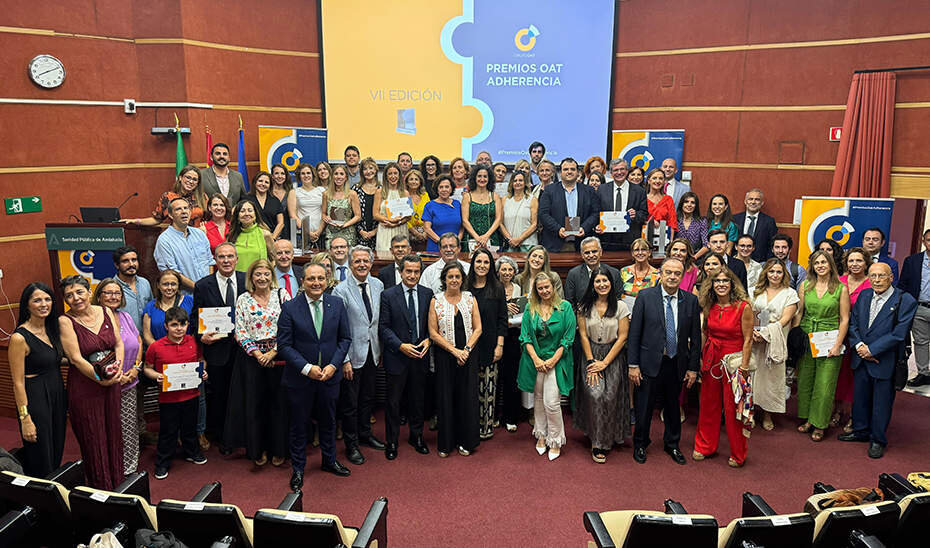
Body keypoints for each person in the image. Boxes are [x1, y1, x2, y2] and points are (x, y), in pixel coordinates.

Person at [278, 263, 353, 491]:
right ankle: (298, 468)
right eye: (311, 279)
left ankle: (329, 461)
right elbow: (284, 345)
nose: (316, 283)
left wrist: (333, 365)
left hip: (330, 376)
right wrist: (306, 367)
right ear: (303, 281)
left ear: (327, 280)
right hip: (301, 379)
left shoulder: (337, 304)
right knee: (299, 425)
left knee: (329, 421)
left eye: (321, 278)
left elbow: (344, 339)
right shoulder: (290, 307)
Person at [839, 262, 916, 458]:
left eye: (881, 276)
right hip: (861, 356)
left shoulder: (905, 301)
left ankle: (877, 439)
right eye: (873, 276)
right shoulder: (865, 295)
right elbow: (853, 322)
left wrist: (872, 350)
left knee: (881, 403)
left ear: (891, 278)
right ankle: (861, 431)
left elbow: (899, 334)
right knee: (861, 398)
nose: (877, 280)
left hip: (885, 360)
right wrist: (859, 347)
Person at [628, 259, 701, 465]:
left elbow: (696, 338)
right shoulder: (645, 297)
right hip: (649, 362)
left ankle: (672, 444)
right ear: (660, 274)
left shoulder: (690, 301)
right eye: (668, 272)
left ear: (682, 276)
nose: (672, 277)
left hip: (676, 362)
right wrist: (633, 365)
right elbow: (634, 334)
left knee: (672, 406)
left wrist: (693, 368)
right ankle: (640, 443)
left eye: (677, 274)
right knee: (644, 407)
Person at [58, 275, 125, 489]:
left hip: (111, 383)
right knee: (93, 438)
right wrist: (99, 379)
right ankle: (101, 490)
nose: (75, 298)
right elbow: (75, 358)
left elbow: (118, 343)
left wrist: (117, 371)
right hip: (85, 387)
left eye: (79, 292)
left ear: (89, 292)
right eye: (69, 295)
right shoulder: (65, 321)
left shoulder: (105, 311)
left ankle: (118, 485)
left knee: (113, 432)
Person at [227, 259, 289, 467]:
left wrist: (273, 352)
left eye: (266, 274)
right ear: (251, 278)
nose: (262, 278)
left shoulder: (283, 295)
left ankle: (279, 449)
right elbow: (240, 330)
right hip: (251, 360)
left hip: (279, 358)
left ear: (272, 276)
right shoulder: (243, 299)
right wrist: (257, 353)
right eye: (257, 274)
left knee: (279, 406)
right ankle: (257, 450)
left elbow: (290, 327)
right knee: (254, 406)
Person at [693, 267, 754, 467]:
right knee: (708, 404)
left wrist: (744, 367)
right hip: (712, 357)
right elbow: (704, 333)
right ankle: (704, 446)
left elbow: (748, 340)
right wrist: (700, 358)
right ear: (711, 285)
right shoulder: (708, 305)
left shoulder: (743, 307)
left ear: (732, 284)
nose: (721, 284)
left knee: (732, 408)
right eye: (717, 281)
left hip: (734, 361)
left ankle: (738, 453)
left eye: (725, 281)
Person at [333, 245, 386, 464]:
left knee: (367, 399)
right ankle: (351, 444)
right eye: (357, 261)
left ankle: (365, 435)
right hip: (351, 357)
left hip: (373, 353)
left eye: (365, 261)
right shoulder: (341, 290)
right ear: (350, 264)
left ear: (371, 263)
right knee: (350, 404)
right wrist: (344, 360)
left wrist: (380, 349)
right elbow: (338, 328)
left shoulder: (378, 285)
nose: (362, 265)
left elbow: (377, 321)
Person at [191, 243, 247, 452]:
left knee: (242, 392)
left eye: (230, 256)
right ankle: (223, 436)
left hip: (244, 349)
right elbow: (194, 318)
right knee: (221, 394)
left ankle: (242, 432)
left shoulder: (246, 280)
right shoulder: (203, 285)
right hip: (217, 350)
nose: (226, 261)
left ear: (236, 259)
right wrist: (200, 335)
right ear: (215, 259)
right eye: (221, 257)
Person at [8, 283, 67, 478]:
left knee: (57, 447)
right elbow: (17, 382)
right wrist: (25, 419)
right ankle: (40, 499)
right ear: (27, 305)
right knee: (41, 454)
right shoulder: (19, 338)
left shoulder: (52, 329)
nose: (44, 304)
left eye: (47, 299)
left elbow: (54, 358)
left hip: (57, 391)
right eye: (37, 300)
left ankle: (52, 489)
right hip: (36, 397)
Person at [143, 307, 208, 480]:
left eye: (182, 324)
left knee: (190, 428)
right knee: (168, 431)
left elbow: (201, 361)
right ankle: (163, 462)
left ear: (187, 325)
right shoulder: (156, 347)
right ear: (166, 326)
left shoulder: (194, 342)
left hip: (192, 395)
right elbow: (147, 369)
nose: (179, 329)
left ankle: (192, 452)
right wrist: (158, 376)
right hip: (168, 398)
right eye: (174, 325)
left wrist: (203, 371)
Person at [574, 266, 632, 463]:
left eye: (605, 281)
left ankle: (609, 436)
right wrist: (592, 361)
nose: (602, 284)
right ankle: (598, 442)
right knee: (596, 394)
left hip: (613, 355)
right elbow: (582, 334)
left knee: (610, 396)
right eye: (597, 281)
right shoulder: (583, 306)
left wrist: (605, 363)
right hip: (591, 353)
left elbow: (623, 337)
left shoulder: (621, 307)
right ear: (593, 284)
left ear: (611, 283)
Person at [379, 254, 433, 459]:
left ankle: (417, 436)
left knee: (418, 400)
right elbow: (383, 328)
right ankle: (391, 441)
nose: (412, 275)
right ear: (401, 272)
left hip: (420, 356)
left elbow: (432, 325)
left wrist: (429, 339)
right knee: (393, 402)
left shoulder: (428, 294)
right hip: (397, 356)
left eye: (416, 271)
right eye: (408, 271)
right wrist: (401, 346)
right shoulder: (388, 295)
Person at [795, 250, 851, 442]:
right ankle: (809, 419)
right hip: (807, 337)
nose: (820, 266)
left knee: (825, 384)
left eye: (823, 262)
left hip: (830, 338)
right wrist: (793, 339)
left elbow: (844, 319)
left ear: (830, 265)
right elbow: (799, 313)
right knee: (805, 381)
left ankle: (820, 423)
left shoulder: (841, 288)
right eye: (816, 263)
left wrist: (838, 345)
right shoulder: (805, 286)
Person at [518, 272, 575, 461]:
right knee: (539, 399)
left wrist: (552, 361)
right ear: (535, 290)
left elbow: (568, 339)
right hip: (535, 361)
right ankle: (541, 435)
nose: (544, 291)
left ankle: (556, 439)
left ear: (554, 287)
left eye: (547, 287)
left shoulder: (565, 308)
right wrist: (536, 359)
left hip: (557, 361)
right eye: (540, 288)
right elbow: (525, 336)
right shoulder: (530, 308)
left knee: (552, 402)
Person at [429, 262, 483, 457]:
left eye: (457, 277)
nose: (454, 280)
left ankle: (466, 441)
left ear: (462, 279)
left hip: (468, 355)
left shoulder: (470, 298)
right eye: (450, 276)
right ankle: (446, 443)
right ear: (444, 279)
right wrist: (454, 351)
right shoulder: (436, 300)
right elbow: (433, 333)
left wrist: (466, 350)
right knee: (446, 398)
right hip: (446, 356)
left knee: (466, 398)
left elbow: (478, 328)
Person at [93, 279, 144, 475]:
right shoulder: (94, 321)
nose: (113, 297)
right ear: (99, 296)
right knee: (108, 428)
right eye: (108, 293)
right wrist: (116, 376)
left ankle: (129, 468)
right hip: (105, 385)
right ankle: (110, 467)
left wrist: (136, 369)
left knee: (129, 428)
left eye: (117, 293)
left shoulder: (125, 317)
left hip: (129, 383)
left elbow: (138, 342)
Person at [750, 259, 800, 431]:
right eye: (771, 271)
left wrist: (766, 334)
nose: (775, 275)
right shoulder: (755, 291)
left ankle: (767, 414)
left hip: (775, 341)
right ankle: (750, 413)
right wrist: (754, 333)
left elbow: (785, 320)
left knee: (771, 379)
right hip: (754, 340)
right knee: (752, 377)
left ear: (784, 274)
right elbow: (749, 315)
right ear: (766, 273)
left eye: (779, 272)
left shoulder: (790, 293)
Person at [466, 249, 508, 439]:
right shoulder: (464, 287)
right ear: (473, 264)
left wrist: (499, 345)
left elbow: (502, 319)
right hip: (468, 345)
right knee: (470, 388)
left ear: (491, 266)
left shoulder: (497, 288)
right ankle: (470, 425)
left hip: (490, 345)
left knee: (488, 388)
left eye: (486, 262)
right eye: (478, 262)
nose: (482, 266)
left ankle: (486, 427)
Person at [835, 248, 872, 431]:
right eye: (851, 261)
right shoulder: (839, 281)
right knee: (838, 374)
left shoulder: (872, 283)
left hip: (860, 337)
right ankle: (836, 410)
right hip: (837, 335)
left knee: (855, 377)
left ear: (866, 263)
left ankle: (852, 415)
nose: (855, 264)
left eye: (859, 260)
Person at [153, 197, 214, 293]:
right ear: (171, 215)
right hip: (186, 298)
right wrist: (199, 289)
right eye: (178, 209)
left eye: (186, 208)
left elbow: (210, 262)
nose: (184, 212)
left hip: (208, 292)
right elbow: (173, 273)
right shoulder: (164, 241)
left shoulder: (200, 234)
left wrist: (209, 285)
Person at [538, 158, 599, 252]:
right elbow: (543, 214)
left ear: (578, 172)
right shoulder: (549, 190)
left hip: (583, 244)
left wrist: (584, 228)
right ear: (560, 172)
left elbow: (595, 213)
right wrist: (558, 229)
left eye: (572, 169)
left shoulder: (589, 190)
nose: (569, 172)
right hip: (555, 243)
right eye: (566, 169)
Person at [122, 165, 208, 228]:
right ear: (180, 178)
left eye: (194, 179)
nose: (191, 181)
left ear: (197, 183)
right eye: (188, 177)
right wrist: (136, 221)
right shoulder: (168, 197)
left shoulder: (202, 197)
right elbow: (157, 219)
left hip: (199, 237)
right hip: (177, 238)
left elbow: (211, 219)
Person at [899, 229, 930, 387]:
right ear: (924, 242)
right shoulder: (912, 261)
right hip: (920, 307)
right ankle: (924, 373)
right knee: (921, 342)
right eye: (929, 240)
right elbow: (902, 285)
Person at [496, 256, 524, 432]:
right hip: (497, 336)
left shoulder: (518, 288)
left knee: (512, 377)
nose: (507, 272)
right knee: (496, 377)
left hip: (514, 335)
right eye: (503, 269)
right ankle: (494, 416)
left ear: (514, 272)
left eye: (510, 269)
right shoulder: (493, 288)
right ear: (498, 271)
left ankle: (510, 416)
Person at [596, 159, 649, 251]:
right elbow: (596, 212)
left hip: (630, 241)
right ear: (611, 173)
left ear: (627, 171)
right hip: (607, 240)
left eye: (622, 169)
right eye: (616, 170)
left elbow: (644, 214)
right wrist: (596, 226)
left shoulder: (639, 191)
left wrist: (636, 215)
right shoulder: (601, 189)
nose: (619, 172)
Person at [565, 236, 622, 306]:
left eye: (594, 251)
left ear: (600, 252)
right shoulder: (574, 274)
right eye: (587, 253)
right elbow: (570, 302)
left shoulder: (614, 273)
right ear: (582, 255)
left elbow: (618, 299)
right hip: (582, 315)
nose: (591, 255)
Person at [143, 269, 193, 347]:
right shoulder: (150, 306)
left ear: (178, 285)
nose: (169, 288)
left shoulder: (190, 302)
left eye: (173, 284)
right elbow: (147, 336)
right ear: (158, 285)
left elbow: (196, 330)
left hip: (186, 352)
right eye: (165, 284)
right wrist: (162, 351)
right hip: (160, 353)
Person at [461, 165, 503, 250]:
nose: (482, 179)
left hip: (491, 238)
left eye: (485, 176)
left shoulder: (495, 196)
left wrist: (486, 236)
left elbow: (498, 219)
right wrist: (477, 237)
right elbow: (465, 220)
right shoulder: (467, 197)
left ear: (489, 179)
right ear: (474, 178)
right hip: (471, 239)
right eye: (479, 176)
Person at [112, 245, 153, 332]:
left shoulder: (145, 283)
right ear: (116, 265)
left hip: (147, 338)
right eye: (125, 261)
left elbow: (151, 310)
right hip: (125, 342)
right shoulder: (111, 287)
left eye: (134, 260)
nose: (131, 264)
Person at [228, 200, 274, 273]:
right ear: (237, 216)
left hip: (259, 280)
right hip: (238, 280)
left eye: (250, 210)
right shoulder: (231, 236)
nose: (246, 214)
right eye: (242, 211)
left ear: (255, 215)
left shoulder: (265, 234)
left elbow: (274, 259)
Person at [374, 162, 411, 251]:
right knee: (384, 256)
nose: (393, 176)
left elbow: (409, 216)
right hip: (385, 228)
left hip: (400, 229)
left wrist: (396, 223)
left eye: (395, 173)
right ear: (386, 176)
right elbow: (375, 214)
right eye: (390, 174)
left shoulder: (405, 193)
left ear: (399, 175)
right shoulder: (380, 192)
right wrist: (390, 221)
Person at [322, 164, 362, 248]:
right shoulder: (326, 194)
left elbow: (358, 216)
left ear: (346, 177)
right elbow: (323, 213)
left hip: (348, 233)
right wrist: (326, 218)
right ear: (332, 177)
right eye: (336, 174)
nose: (338, 177)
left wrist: (345, 224)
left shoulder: (352, 194)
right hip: (331, 234)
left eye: (341, 174)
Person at [733, 189, 776, 262]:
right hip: (737, 261)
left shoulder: (769, 221)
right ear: (745, 201)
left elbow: (771, 245)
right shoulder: (735, 219)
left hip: (760, 263)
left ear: (762, 203)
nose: (753, 202)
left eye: (757, 199)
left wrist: (767, 264)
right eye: (750, 199)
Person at [422, 176, 463, 253]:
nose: (444, 189)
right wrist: (442, 243)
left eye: (447, 187)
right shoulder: (430, 205)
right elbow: (427, 228)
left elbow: (462, 227)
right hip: (436, 247)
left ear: (451, 189)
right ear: (437, 189)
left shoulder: (457, 204)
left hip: (455, 248)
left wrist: (457, 242)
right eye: (441, 187)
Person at [500, 170, 538, 251]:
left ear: (525, 183)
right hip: (509, 244)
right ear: (511, 183)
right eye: (515, 180)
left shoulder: (532, 199)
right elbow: (500, 223)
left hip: (528, 244)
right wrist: (510, 239)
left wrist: (520, 239)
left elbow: (534, 224)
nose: (518, 183)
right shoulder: (505, 199)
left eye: (520, 180)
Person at [292, 163, 326, 250]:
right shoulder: (294, 192)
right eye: (303, 173)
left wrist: (319, 231)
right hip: (302, 235)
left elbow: (324, 213)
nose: (306, 175)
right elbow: (293, 215)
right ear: (299, 176)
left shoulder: (322, 191)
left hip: (321, 234)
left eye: (308, 173)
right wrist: (307, 232)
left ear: (313, 175)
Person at [620, 238, 660, 310]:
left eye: (644, 250)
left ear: (649, 252)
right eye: (636, 250)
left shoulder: (657, 275)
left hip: (648, 312)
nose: (640, 253)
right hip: (627, 312)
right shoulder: (624, 271)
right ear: (632, 253)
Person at [245, 171, 285, 240]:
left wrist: (272, 239)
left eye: (266, 182)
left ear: (270, 185)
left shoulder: (275, 201)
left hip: (272, 237)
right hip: (251, 238)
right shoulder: (246, 199)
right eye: (260, 181)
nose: (263, 184)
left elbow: (281, 223)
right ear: (255, 182)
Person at [353, 157, 381, 249]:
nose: (368, 171)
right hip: (359, 235)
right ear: (361, 172)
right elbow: (352, 213)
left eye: (371, 168)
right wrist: (361, 231)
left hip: (379, 233)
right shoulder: (355, 189)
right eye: (365, 169)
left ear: (376, 170)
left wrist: (375, 231)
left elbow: (386, 213)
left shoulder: (383, 189)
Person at [644, 168, 678, 238]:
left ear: (664, 182)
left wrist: (670, 242)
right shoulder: (642, 198)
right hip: (643, 236)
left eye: (660, 178)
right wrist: (649, 223)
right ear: (648, 181)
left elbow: (672, 222)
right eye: (654, 178)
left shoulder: (668, 199)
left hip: (663, 237)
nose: (657, 181)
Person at [676, 192, 709, 261]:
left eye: (692, 203)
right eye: (686, 202)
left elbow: (706, 245)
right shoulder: (675, 220)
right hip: (676, 257)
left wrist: (694, 257)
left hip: (696, 259)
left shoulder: (702, 221)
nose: (689, 205)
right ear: (681, 204)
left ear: (695, 206)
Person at [405, 169, 430, 249]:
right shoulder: (404, 196)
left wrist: (426, 232)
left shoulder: (425, 195)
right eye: (411, 179)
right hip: (408, 232)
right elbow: (403, 217)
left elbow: (429, 214)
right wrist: (415, 233)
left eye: (416, 179)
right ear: (407, 182)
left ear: (420, 182)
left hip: (425, 233)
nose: (414, 182)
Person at [270, 164, 293, 241]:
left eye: (282, 173)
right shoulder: (267, 192)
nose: (280, 176)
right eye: (276, 173)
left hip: (287, 233)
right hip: (270, 233)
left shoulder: (290, 192)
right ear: (272, 176)